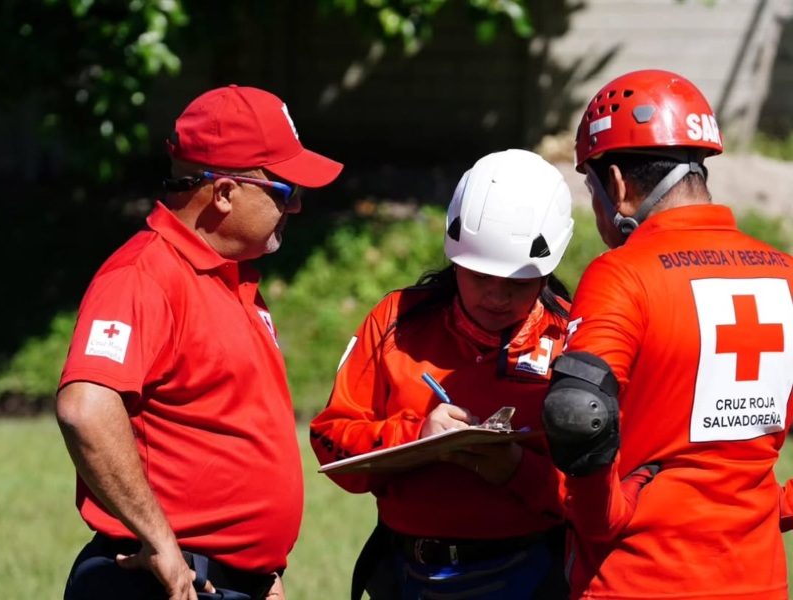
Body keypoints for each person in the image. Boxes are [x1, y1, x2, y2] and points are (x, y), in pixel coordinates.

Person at [55, 84, 343, 600]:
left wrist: (260, 570)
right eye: (285, 191)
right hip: (163, 582)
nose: (297, 206)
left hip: (226, 581)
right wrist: (161, 543)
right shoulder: (143, 276)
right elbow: (85, 408)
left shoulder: (231, 277)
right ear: (225, 192)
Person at [541, 69, 793, 600]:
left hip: (636, 579)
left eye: (592, 188)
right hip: (758, 580)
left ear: (615, 184)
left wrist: (602, 519)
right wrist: (776, 506)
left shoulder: (622, 275)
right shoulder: (785, 274)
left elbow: (576, 413)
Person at [310, 148, 576, 600]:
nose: (496, 297)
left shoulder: (575, 337)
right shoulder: (396, 321)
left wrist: (517, 470)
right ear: (455, 260)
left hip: (534, 574)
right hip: (406, 574)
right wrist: (416, 438)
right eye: (479, 277)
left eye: (517, 284)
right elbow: (330, 443)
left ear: (546, 274)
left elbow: (603, 490)